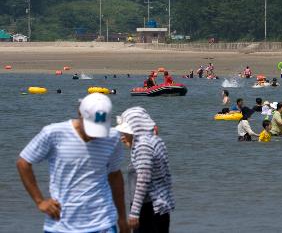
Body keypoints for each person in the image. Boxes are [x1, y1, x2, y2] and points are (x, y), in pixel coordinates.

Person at [17, 93, 129, 233]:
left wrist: (122, 218)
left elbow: (115, 176)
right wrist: (40, 201)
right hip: (60, 225)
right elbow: (23, 162)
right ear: (79, 113)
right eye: (91, 128)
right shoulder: (53, 133)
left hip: (103, 223)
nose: (94, 135)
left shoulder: (112, 138)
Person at [116, 107, 173, 233]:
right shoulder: (155, 141)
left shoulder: (143, 147)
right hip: (161, 206)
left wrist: (134, 213)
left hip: (148, 209)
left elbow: (143, 181)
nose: (122, 135)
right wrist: (131, 145)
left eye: (125, 131)